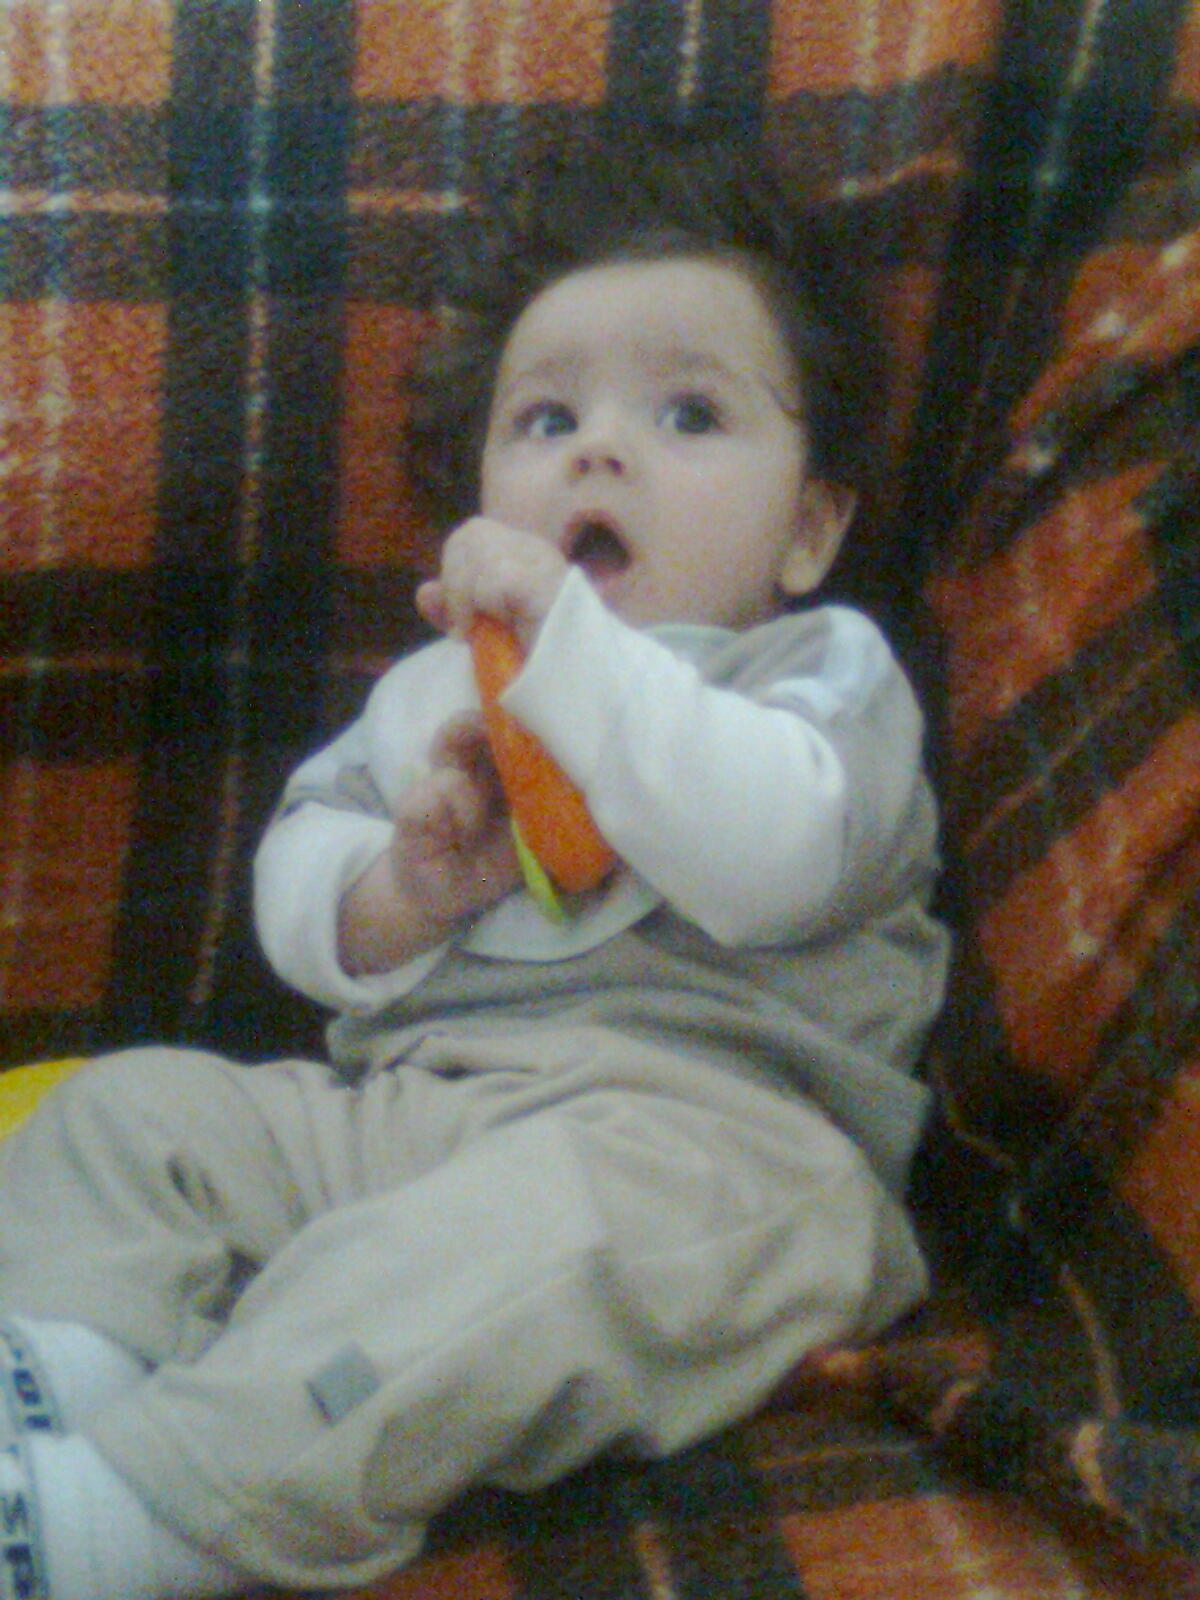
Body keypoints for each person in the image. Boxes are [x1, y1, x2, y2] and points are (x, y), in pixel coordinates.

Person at [0, 143, 950, 1597]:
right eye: (548, 417)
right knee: (128, 1117)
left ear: (809, 528)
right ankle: (61, 1382)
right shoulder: (435, 694)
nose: (600, 451)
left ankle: (122, 1524)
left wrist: (579, 659)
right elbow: (295, 871)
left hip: (710, 1154)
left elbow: (776, 853)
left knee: (513, 1253)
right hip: (410, 1111)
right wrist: (402, 892)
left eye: (688, 414)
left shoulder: (815, 675)